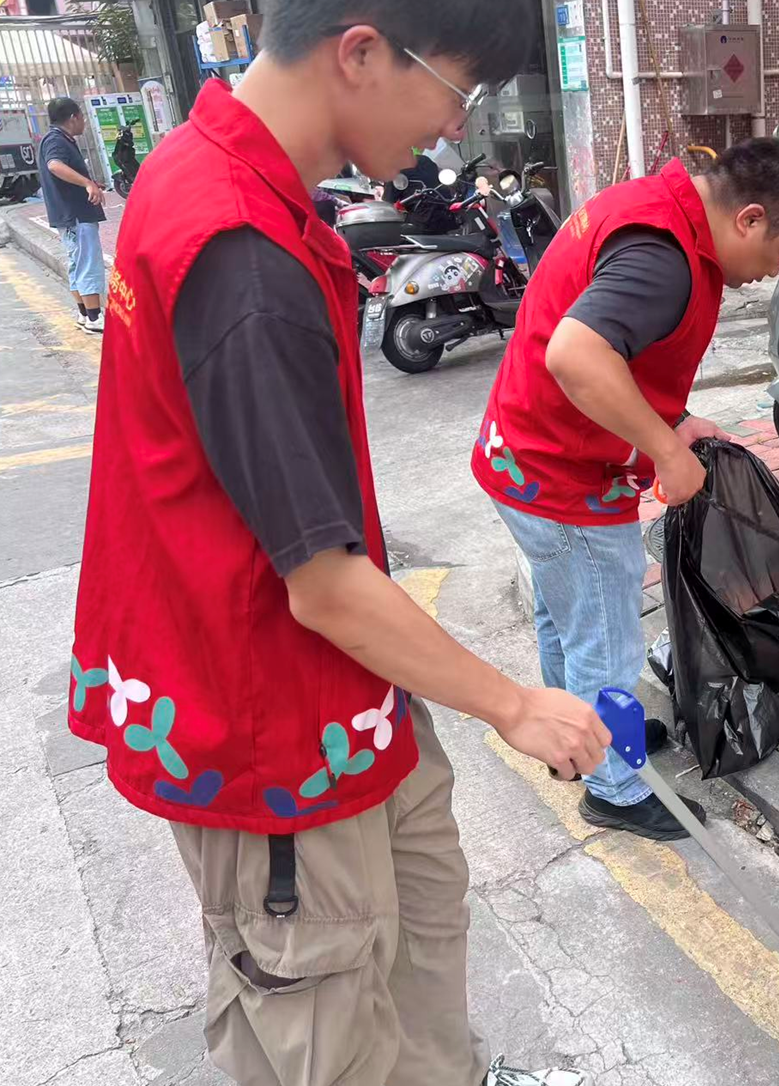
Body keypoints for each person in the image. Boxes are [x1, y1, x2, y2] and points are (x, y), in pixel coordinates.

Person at [66, 3, 608, 1085]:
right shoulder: (239, 253)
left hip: (345, 702)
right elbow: (320, 585)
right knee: (325, 1023)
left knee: (417, 942)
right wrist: (513, 703)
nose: (454, 132)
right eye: (458, 94)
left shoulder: (214, 170)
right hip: (268, 723)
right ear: (360, 51)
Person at [474, 139, 779, 840]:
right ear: (751, 220)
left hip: (518, 456)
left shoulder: (654, 208)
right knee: (606, 641)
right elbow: (577, 353)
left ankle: (582, 740)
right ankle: (612, 786)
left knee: (567, 621)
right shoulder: (665, 258)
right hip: (563, 478)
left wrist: (671, 418)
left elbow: (615, 346)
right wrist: (666, 451)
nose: (773, 274)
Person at [38, 97, 107, 333]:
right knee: (88, 262)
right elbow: (54, 165)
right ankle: (95, 318)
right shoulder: (56, 140)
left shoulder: (59, 139)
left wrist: (89, 183)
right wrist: (87, 183)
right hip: (75, 214)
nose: (84, 122)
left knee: (77, 263)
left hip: (69, 213)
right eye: (82, 117)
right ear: (73, 118)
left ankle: (83, 313)